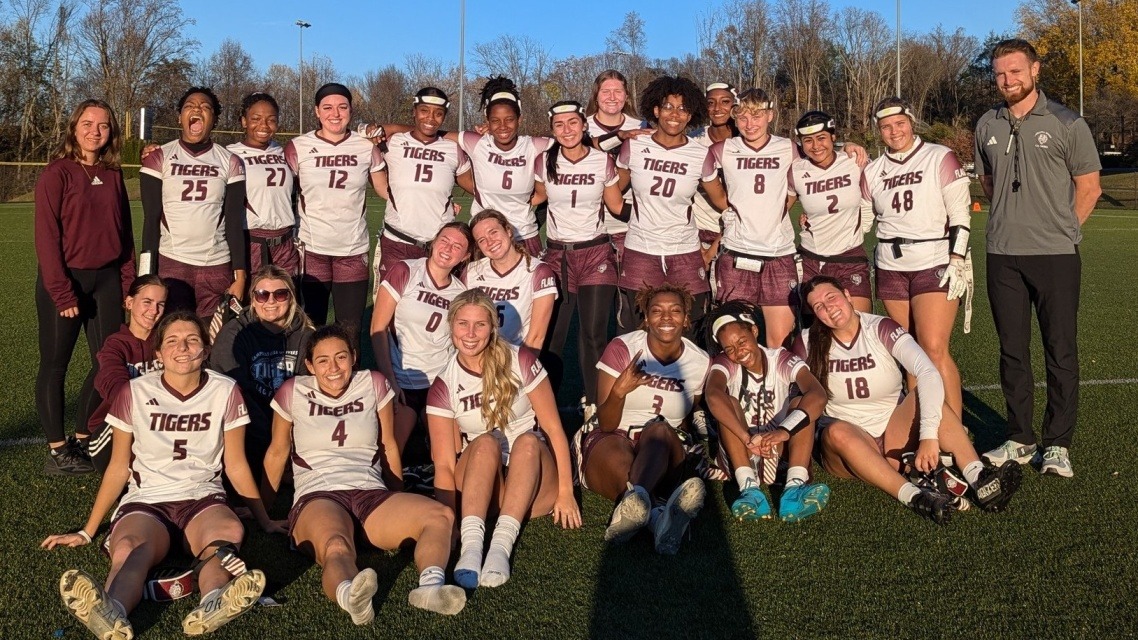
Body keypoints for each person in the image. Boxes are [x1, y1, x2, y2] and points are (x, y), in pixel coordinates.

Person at [42, 312, 279, 638]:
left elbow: (235, 464)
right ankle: (110, 611)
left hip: (202, 497)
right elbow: (118, 466)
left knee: (224, 538)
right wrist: (87, 530)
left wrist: (264, 519)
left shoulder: (225, 391)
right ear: (159, 353)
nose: (182, 348)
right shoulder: (134, 392)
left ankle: (213, 601)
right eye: (172, 341)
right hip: (147, 499)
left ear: (206, 349)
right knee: (130, 550)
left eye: (192, 340)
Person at [262, 324, 466, 622]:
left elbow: (388, 445)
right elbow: (277, 453)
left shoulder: (373, 382)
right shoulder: (293, 390)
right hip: (318, 495)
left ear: (354, 357)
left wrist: (396, 496)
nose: (333, 368)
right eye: (323, 360)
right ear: (309, 365)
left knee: (441, 516)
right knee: (335, 545)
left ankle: (430, 587)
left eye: (341, 357)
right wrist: (262, 512)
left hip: (370, 492)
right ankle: (351, 598)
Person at [795, 276, 1022, 524]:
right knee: (837, 431)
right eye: (819, 306)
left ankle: (979, 478)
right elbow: (792, 396)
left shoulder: (880, 327)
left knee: (924, 395)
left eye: (831, 297)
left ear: (848, 295)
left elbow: (927, 372)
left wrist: (928, 437)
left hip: (894, 433)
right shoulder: (806, 342)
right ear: (815, 314)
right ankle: (916, 497)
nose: (828, 308)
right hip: (848, 449)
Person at [975, 39, 1102, 477]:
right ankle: (1020, 437)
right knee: (1012, 351)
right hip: (1002, 254)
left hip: (1055, 255)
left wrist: (1064, 231)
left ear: (1035, 70)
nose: (1007, 80)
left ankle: (1058, 443)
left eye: (1015, 71)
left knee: (1060, 350)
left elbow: (1090, 188)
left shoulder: (1067, 122)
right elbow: (989, 182)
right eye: (999, 73)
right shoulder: (986, 123)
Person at [426, 289, 579, 589]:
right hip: (484, 486)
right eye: (463, 324)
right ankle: (471, 547)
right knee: (485, 442)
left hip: (533, 477)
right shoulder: (444, 384)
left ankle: (500, 546)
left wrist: (565, 491)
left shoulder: (520, 358)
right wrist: (448, 521)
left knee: (528, 441)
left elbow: (553, 428)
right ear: (451, 325)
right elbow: (444, 464)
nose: (471, 334)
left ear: (493, 327)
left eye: (480, 324)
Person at [35, 98, 136, 476]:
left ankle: (81, 437)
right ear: (74, 128)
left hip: (106, 280)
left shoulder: (113, 174)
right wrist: (61, 292)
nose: (95, 131)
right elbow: (46, 237)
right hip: (66, 280)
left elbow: (125, 234)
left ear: (112, 132)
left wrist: (128, 283)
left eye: (103, 125)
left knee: (107, 361)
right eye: (88, 124)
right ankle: (57, 451)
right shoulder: (57, 173)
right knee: (55, 365)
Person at [579, 284, 711, 555]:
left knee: (660, 429)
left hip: (661, 447)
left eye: (675, 311)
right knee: (614, 447)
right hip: (615, 433)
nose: (666, 317)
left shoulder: (699, 361)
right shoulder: (624, 348)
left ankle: (636, 503)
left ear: (686, 319)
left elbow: (687, 416)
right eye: (657, 311)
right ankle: (658, 518)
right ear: (646, 318)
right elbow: (606, 423)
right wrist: (618, 392)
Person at [863, 97, 971, 418]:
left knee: (933, 348)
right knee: (909, 352)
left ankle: (954, 432)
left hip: (933, 260)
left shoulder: (939, 156)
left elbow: (960, 214)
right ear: (878, 130)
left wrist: (957, 258)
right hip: (890, 265)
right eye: (886, 126)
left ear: (911, 122)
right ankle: (921, 428)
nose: (894, 131)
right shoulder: (873, 170)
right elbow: (862, 221)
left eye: (900, 123)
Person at [616, 76, 729, 334]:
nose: (675, 114)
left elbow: (724, 203)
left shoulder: (700, 154)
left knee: (690, 328)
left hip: (684, 250)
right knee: (637, 330)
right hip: (641, 249)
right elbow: (612, 190)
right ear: (656, 110)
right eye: (668, 106)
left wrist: (714, 246)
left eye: (683, 108)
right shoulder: (634, 146)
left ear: (691, 115)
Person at [534, 100, 626, 417]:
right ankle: (543, 409)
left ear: (584, 125)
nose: (567, 130)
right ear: (552, 130)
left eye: (573, 122)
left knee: (593, 335)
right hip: (557, 254)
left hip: (595, 252)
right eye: (559, 125)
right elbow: (536, 197)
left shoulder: (602, 160)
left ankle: (594, 405)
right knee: (553, 337)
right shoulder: (544, 161)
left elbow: (617, 206)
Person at [702, 301, 831, 522]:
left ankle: (794, 486)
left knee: (801, 403)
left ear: (754, 331)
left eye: (742, 341)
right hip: (742, 450)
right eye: (729, 349)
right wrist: (747, 438)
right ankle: (749, 489)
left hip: (778, 448)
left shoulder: (780, 358)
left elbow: (818, 395)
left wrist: (783, 431)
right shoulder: (725, 362)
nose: (738, 352)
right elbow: (713, 395)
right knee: (727, 402)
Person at [284, 82, 385, 333]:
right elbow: (281, 192)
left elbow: (385, 190)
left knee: (350, 329)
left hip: (352, 250)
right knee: (310, 328)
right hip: (312, 249)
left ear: (351, 110)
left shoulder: (366, 146)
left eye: (342, 107)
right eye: (327, 107)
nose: (335, 113)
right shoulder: (298, 147)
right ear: (317, 111)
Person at [140, 87, 247, 320]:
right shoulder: (158, 156)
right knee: (175, 335)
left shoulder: (230, 161)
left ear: (214, 120)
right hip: (173, 262)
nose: (197, 109)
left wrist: (240, 277)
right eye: (189, 106)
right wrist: (145, 276)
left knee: (215, 337)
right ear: (180, 117)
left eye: (205, 107)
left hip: (216, 263)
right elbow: (150, 220)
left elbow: (234, 223)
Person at [368, 222, 473, 453]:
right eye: (444, 240)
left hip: (438, 383)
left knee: (453, 452)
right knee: (388, 452)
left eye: (457, 246)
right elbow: (377, 327)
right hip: (402, 380)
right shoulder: (406, 270)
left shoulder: (461, 293)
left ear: (465, 256)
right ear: (434, 241)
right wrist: (391, 380)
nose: (448, 248)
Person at [210, 265, 314, 480]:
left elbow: (309, 388)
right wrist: (272, 437)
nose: (271, 301)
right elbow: (232, 389)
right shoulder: (234, 333)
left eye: (280, 294)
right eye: (262, 294)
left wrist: (286, 434)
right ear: (253, 299)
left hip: (292, 420)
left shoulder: (305, 335)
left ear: (291, 298)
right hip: (249, 421)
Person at [368, 87, 475, 280]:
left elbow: (475, 187)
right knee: (391, 299)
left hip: (439, 246)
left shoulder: (453, 149)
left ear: (444, 117)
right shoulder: (392, 142)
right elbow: (371, 166)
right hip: (397, 242)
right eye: (424, 111)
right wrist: (373, 129)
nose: (430, 118)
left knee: (439, 298)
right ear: (414, 112)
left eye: (438, 113)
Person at [585, 70, 652, 332]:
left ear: (626, 96)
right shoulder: (581, 125)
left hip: (629, 222)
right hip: (590, 225)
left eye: (618, 91)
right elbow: (579, 145)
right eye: (606, 91)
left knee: (631, 302)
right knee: (596, 311)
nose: (612, 97)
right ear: (596, 95)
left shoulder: (642, 126)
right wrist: (621, 137)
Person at [454, 77, 551, 256]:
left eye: (509, 119)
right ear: (487, 121)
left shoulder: (534, 145)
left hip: (524, 236)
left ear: (519, 119)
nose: (503, 126)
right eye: (496, 120)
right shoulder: (476, 142)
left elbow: (573, 144)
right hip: (485, 238)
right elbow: (429, 135)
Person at [788, 111, 874, 313]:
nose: (816, 146)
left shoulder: (855, 162)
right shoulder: (796, 170)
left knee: (858, 322)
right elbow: (780, 208)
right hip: (811, 258)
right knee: (815, 327)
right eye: (808, 140)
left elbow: (875, 196)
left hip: (850, 256)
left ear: (833, 137)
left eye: (821, 138)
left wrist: (864, 226)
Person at [86, 275, 167, 473]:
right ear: (129, 303)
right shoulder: (115, 345)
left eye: (161, 304)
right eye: (147, 302)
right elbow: (111, 381)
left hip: (160, 421)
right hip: (118, 423)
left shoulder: (167, 340)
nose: (154, 311)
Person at [227, 92, 299, 277]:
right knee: (249, 295)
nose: (264, 125)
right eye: (256, 119)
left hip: (285, 243)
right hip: (250, 241)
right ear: (244, 121)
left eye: (271, 120)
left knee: (286, 294)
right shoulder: (229, 154)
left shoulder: (284, 152)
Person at [465, 210, 558, 350]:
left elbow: (536, 338)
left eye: (493, 232)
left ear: (508, 231)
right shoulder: (471, 271)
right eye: (482, 240)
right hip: (475, 353)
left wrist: (522, 364)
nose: (490, 242)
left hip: (513, 356)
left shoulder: (538, 271)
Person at [689, 82, 739, 262]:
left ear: (736, 105)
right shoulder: (693, 141)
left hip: (739, 232)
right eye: (711, 103)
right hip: (698, 231)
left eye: (725, 102)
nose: (717, 108)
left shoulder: (748, 141)